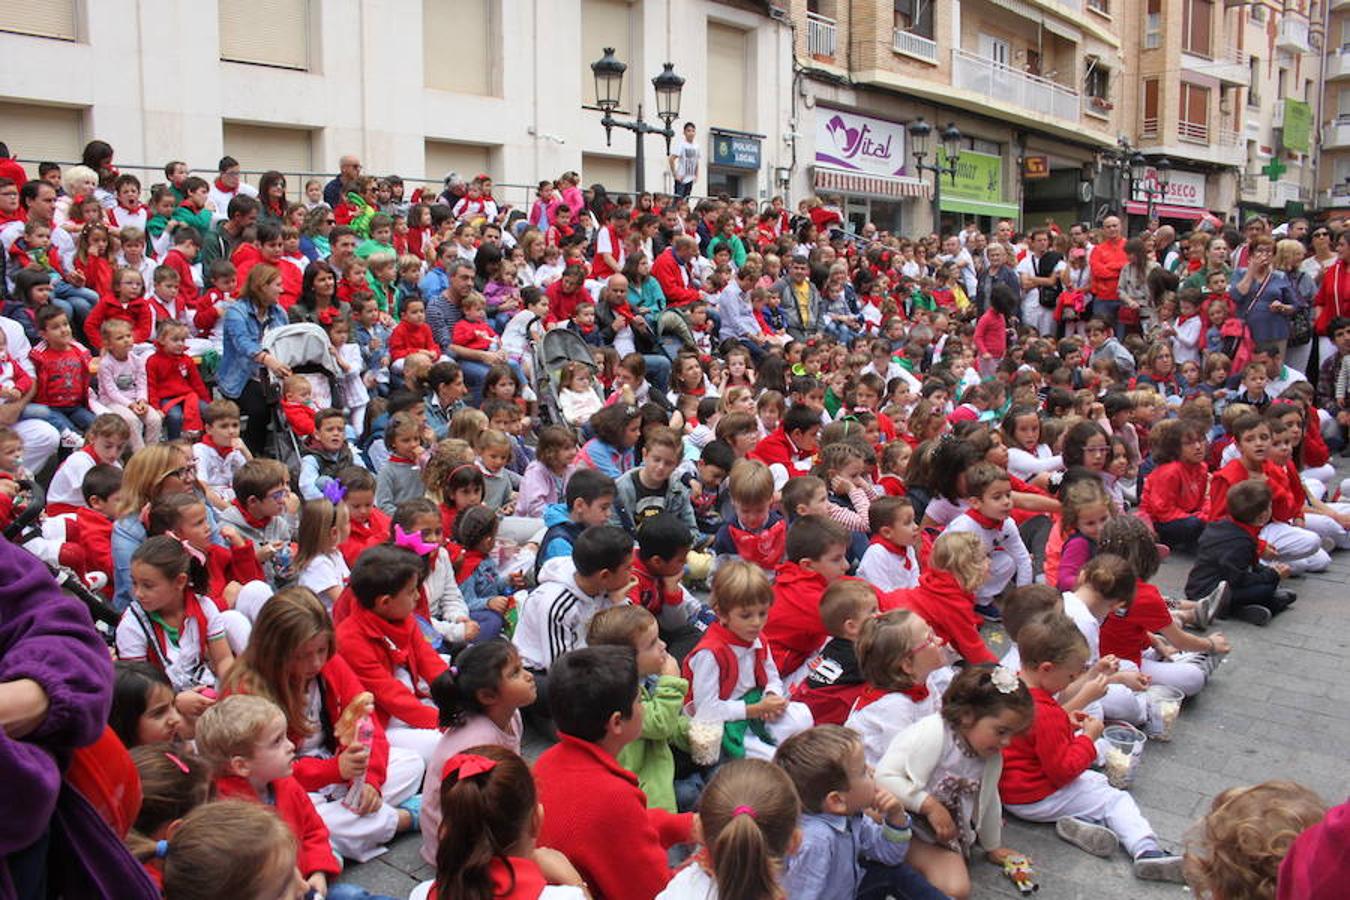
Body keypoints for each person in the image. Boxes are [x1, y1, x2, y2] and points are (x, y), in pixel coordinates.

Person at [222, 587, 424, 863]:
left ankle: (342, 835)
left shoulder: (329, 664)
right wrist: (333, 771)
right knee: (291, 820)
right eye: (302, 655)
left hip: (336, 772)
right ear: (275, 651)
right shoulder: (246, 691)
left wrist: (370, 783)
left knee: (411, 763)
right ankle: (403, 818)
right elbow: (265, 771)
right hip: (288, 784)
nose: (315, 662)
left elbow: (368, 724)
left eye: (321, 650)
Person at [1000, 615, 1186, 883]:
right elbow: (1063, 770)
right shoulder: (1044, 712)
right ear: (1046, 668)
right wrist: (1087, 739)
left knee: (1093, 786)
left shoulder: (1013, 687)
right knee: (1112, 797)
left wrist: (1066, 722)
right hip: (1035, 794)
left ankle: (1081, 824)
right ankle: (1147, 850)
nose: (1071, 682)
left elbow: (1029, 737)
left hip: (1012, 789)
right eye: (1071, 676)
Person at [533, 646, 696, 900]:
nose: (643, 707)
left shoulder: (546, 762)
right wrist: (703, 865)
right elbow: (657, 893)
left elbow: (627, 825)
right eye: (640, 700)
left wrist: (687, 825)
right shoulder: (613, 796)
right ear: (617, 722)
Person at [874, 666, 1035, 900]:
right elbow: (884, 777)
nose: (1007, 742)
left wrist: (992, 846)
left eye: (1013, 734)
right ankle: (884, 862)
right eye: (1001, 731)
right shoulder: (933, 733)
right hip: (897, 816)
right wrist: (929, 805)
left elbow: (988, 799)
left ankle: (898, 865)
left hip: (936, 835)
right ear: (967, 715)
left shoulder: (990, 757)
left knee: (956, 890)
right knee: (869, 811)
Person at [778, 724, 944, 900]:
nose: (873, 771)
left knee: (893, 873)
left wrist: (896, 818)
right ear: (837, 800)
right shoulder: (816, 841)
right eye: (864, 772)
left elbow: (890, 856)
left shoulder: (850, 815)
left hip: (849, 889)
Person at [413, 744, 588, 900]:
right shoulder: (566, 896)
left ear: (449, 828)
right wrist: (575, 881)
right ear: (536, 820)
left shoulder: (423, 893)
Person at [337, 544, 448, 762]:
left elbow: (430, 661)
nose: (417, 596)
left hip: (415, 703)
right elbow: (392, 697)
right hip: (383, 722)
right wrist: (445, 721)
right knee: (442, 744)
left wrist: (460, 698)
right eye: (411, 591)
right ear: (385, 602)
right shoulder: (349, 639)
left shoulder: (402, 616)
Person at [669, 122, 700, 199]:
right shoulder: (682, 145)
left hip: (690, 178)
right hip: (681, 178)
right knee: (678, 200)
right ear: (684, 132)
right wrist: (675, 174)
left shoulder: (697, 146)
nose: (691, 133)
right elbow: (671, 158)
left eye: (693, 131)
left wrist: (696, 175)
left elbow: (696, 161)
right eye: (688, 131)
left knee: (686, 200)